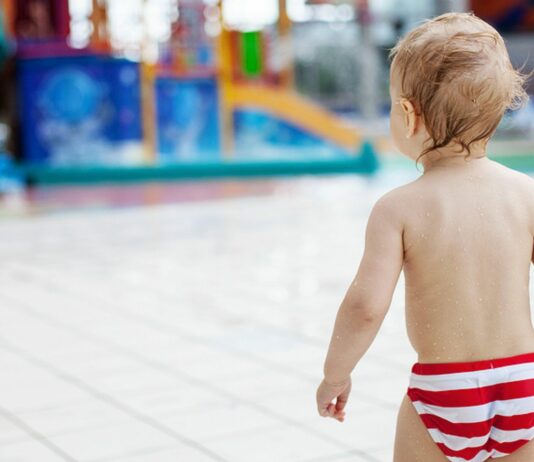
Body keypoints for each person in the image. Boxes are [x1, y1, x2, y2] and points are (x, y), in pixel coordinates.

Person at [316, 12, 534, 462]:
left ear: (408, 114)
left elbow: (365, 308)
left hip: (445, 389)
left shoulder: (398, 208)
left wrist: (335, 375)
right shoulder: (526, 193)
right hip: (523, 386)